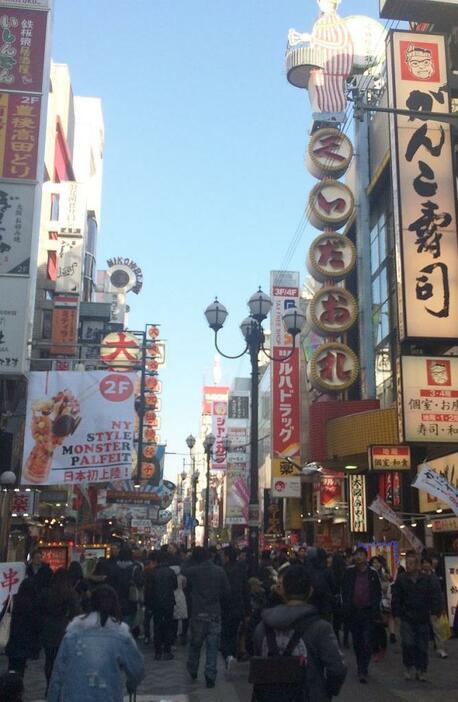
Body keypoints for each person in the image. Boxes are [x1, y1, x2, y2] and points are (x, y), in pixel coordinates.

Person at [252, 564, 347, 702]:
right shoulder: (320, 628)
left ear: (282, 590)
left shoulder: (263, 626)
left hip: (268, 696)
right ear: (310, 591)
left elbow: (256, 655)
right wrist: (326, 691)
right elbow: (337, 668)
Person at [47, 585, 144, 702]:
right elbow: (137, 669)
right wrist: (131, 684)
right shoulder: (120, 635)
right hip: (108, 696)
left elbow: (58, 672)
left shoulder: (73, 633)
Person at [183, 546, 230, 688]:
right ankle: (210, 674)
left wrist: (190, 557)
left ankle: (192, 668)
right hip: (214, 612)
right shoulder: (219, 571)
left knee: (196, 643)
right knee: (212, 645)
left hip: (198, 612)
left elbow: (183, 569)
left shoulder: (194, 571)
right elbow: (227, 591)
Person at [392, 551, 442, 681]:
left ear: (418, 565)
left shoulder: (426, 579)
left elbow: (435, 597)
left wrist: (435, 612)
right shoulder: (402, 579)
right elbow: (396, 598)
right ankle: (408, 666)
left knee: (422, 645)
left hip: (422, 617)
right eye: (407, 563)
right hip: (407, 617)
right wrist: (396, 614)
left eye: (411, 563)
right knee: (408, 644)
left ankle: (422, 669)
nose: (409, 566)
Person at [342, 546, 381, 683]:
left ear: (366, 557)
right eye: (356, 554)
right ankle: (360, 666)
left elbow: (377, 593)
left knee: (367, 640)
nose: (358, 557)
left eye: (361, 554)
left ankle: (363, 668)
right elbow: (345, 591)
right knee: (357, 641)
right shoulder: (349, 573)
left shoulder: (373, 574)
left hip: (368, 611)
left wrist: (376, 610)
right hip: (354, 612)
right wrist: (346, 608)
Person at [40, 567, 81, 693]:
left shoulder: (46, 592)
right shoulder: (69, 593)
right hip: (64, 628)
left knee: (49, 659)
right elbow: (76, 612)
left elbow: (40, 609)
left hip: (48, 628)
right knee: (63, 660)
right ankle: (61, 685)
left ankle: (49, 685)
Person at [4, 578, 41, 678]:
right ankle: (17, 686)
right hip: (26, 640)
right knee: (20, 667)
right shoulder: (34, 603)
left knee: (11, 666)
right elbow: (36, 624)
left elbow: (4, 614)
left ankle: (9, 684)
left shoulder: (13, 599)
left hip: (12, 637)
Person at [221, 545, 250, 673]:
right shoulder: (241, 570)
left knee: (226, 633)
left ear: (227, 556)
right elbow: (246, 591)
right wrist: (247, 610)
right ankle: (232, 655)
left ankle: (229, 656)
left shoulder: (223, 570)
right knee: (234, 633)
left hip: (226, 607)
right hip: (239, 606)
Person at [149, 549, 178, 660]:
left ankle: (157, 652)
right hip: (169, 602)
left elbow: (150, 589)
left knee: (157, 626)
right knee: (168, 625)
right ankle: (167, 650)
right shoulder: (171, 572)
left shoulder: (153, 572)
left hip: (156, 602)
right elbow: (175, 586)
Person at [109, 545, 143, 631]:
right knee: (128, 626)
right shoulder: (135, 568)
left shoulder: (114, 567)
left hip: (115, 599)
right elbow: (140, 583)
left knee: (116, 625)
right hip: (130, 601)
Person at [143, 550, 159, 644]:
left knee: (147, 618)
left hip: (148, 596)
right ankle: (156, 635)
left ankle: (147, 636)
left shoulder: (146, 569)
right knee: (156, 618)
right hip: (157, 597)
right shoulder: (157, 570)